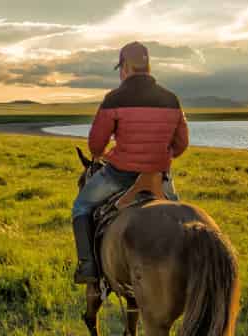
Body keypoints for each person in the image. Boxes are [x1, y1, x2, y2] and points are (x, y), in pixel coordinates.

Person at [71, 41, 191, 284]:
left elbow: (95, 145)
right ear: (147, 67)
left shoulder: (114, 99)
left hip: (119, 175)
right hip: (159, 177)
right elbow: (181, 144)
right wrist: (160, 158)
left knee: (81, 207)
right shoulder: (171, 99)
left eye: (121, 68)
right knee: (183, 219)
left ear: (125, 67)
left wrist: (105, 154)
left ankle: (89, 268)